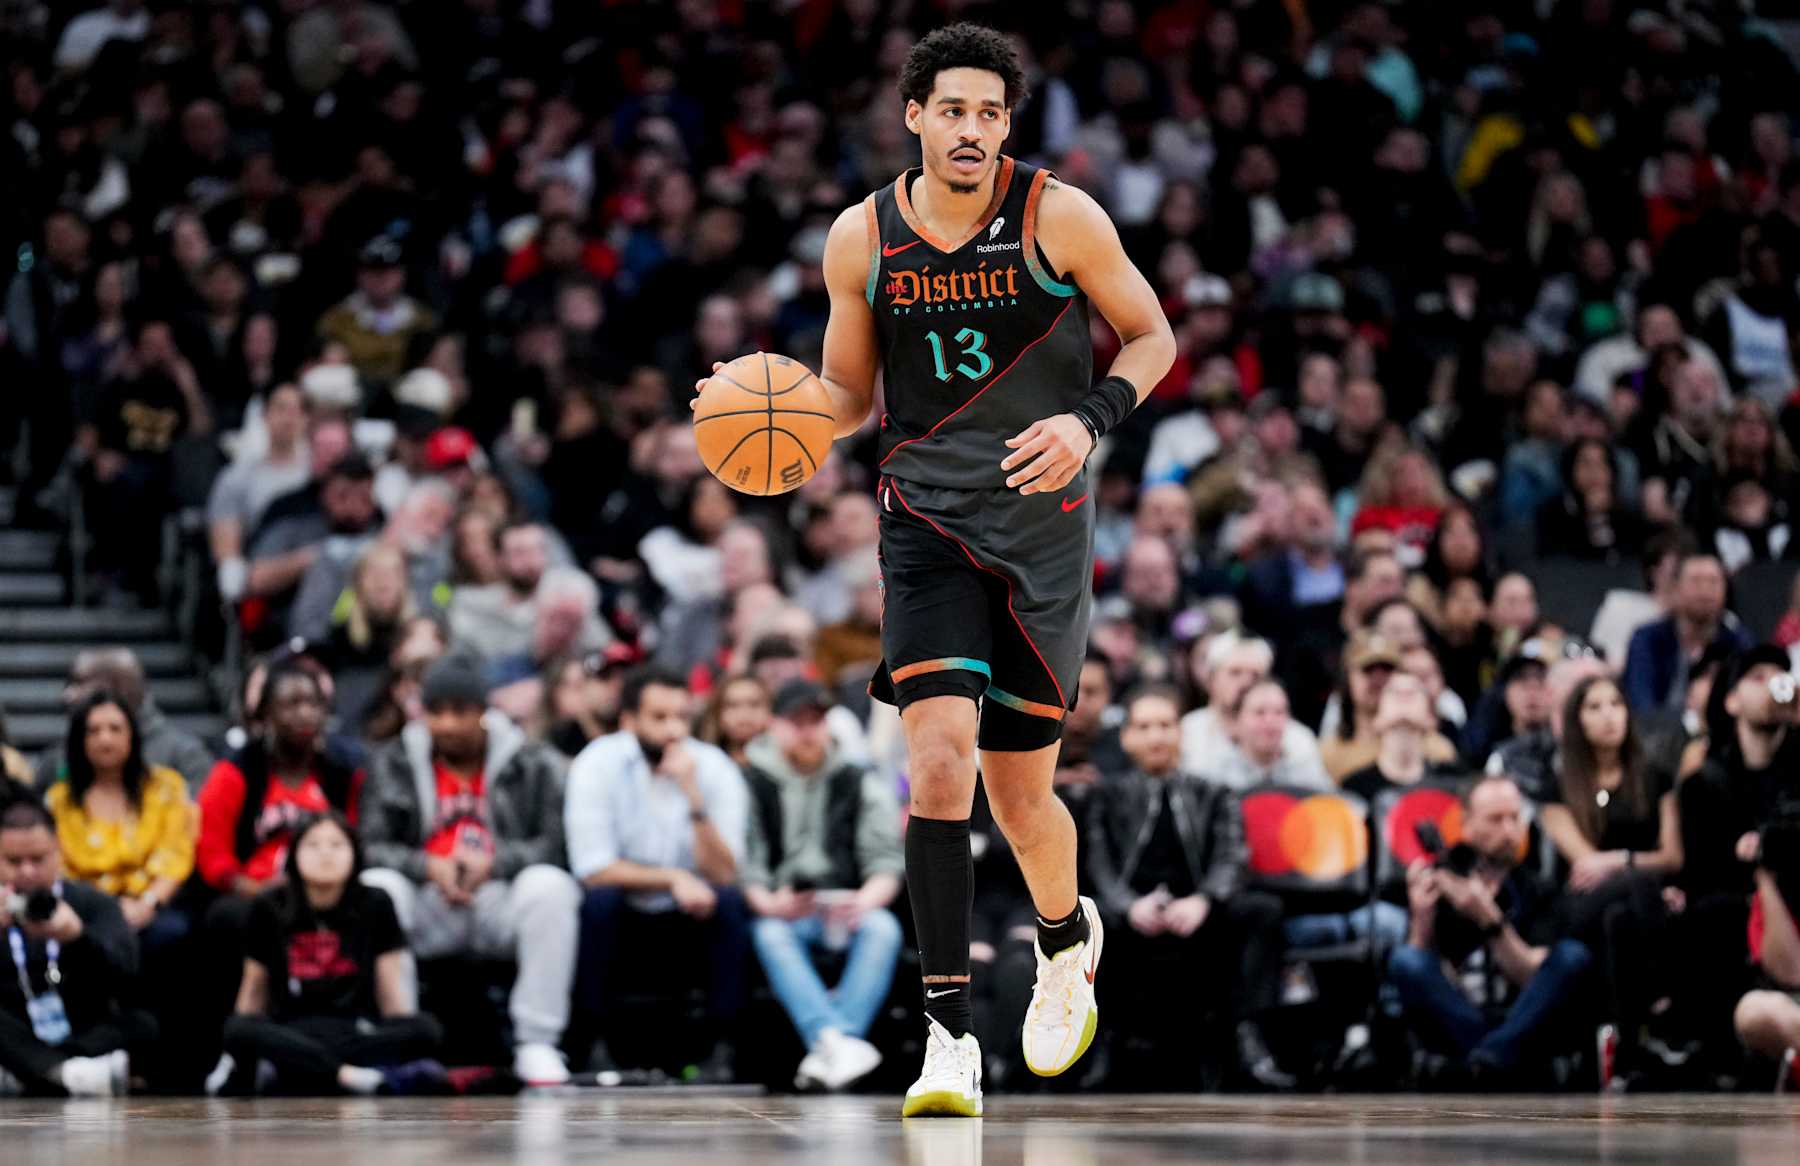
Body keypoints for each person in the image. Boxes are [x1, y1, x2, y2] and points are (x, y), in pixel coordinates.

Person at [696, 24, 1174, 1114]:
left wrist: (1089, 417)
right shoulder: (860, 238)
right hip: (926, 524)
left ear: (1009, 127)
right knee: (940, 761)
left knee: (1022, 797)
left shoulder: (1059, 213)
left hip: (1044, 530)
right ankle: (947, 1032)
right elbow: (846, 397)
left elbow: (1152, 337)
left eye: (990, 113)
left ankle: (1066, 936)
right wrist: (751, 398)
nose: (970, 129)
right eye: (951, 109)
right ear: (914, 115)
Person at [359, 657, 582, 1088]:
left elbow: (554, 846)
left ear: (483, 711)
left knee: (552, 887)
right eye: (436, 712)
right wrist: (428, 866)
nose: (446, 724)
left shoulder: (531, 762)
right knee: (378, 888)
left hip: (496, 897)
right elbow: (370, 846)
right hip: (428, 900)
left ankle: (536, 1041)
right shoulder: (395, 761)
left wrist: (494, 863)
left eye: (460, 711)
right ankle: (400, 1039)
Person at [1086, 688, 1293, 1089]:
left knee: (1263, 911)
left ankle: (1249, 1040)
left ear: (1181, 733)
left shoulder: (1213, 792)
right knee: (1091, 917)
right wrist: (1129, 906)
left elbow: (1233, 857)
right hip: (1131, 915)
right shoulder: (1106, 794)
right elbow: (1097, 865)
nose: (1156, 737)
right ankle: (1102, 1047)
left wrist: (1204, 900)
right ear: (1127, 737)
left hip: (1198, 911)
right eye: (1144, 727)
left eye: (1165, 725)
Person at [565, 669, 751, 1082]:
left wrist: (694, 800)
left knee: (730, 905)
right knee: (599, 904)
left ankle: (722, 1051)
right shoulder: (596, 763)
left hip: (689, 914)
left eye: (682, 717)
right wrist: (670, 878)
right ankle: (593, 1047)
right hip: (625, 909)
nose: (674, 730)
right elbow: (593, 868)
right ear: (629, 720)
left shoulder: (713, 768)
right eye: (660, 717)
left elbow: (723, 872)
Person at [741, 681, 905, 1092]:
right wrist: (769, 902)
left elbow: (886, 859)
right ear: (774, 726)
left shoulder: (855, 780)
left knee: (882, 927)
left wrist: (866, 899)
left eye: (816, 721)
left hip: (845, 902)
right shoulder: (751, 781)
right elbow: (748, 862)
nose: (809, 732)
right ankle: (840, 1042)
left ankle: (829, 1046)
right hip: (786, 906)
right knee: (770, 933)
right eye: (797, 723)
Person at [1388, 776, 1594, 1086]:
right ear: (1467, 824)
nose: (1509, 831)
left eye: (1514, 818)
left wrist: (1488, 919)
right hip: (1461, 1018)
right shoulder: (1445, 876)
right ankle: (1497, 1059)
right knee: (1406, 960)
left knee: (1573, 956)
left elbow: (1533, 975)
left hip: (1521, 1017)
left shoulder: (1538, 889)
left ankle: (1487, 1060)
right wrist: (1422, 916)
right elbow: (1424, 973)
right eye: (1495, 820)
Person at [222, 813, 445, 1095]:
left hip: (354, 1029)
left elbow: (391, 994)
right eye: (313, 845)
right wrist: (234, 1052)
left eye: (337, 845)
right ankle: (349, 1076)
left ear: (354, 853)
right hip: (291, 1029)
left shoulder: (376, 902)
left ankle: (306, 1071)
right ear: (294, 855)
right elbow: (253, 990)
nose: (325, 854)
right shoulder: (269, 905)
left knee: (427, 1030)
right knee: (237, 1030)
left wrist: (403, 1030)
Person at [0, 799, 141, 1097]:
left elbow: (126, 975)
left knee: (144, 1023)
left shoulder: (92, 902)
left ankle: (34, 1071)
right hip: (14, 1027)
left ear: (58, 852)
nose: (27, 871)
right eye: (13, 861)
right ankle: (65, 1073)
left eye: (38, 859)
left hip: (80, 1031)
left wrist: (77, 937)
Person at [33, 647, 215, 793]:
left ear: (117, 687)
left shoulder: (185, 757)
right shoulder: (57, 757)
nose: (67, 695)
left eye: (79, 683)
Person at [1178, 632, 1329, 790]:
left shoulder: (1296, 737)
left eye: (1255, 675)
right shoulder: (1188, 732)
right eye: (1235, 672)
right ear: (1211, 679)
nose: (1246, 682)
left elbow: (1318, 801)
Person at [1624, 553, 1748, 712]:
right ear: (1675, 588)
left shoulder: (1738, 643)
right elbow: (1640, 703)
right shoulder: (1648, 639)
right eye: (1695, 581)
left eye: (1713, 582)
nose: (1705, 591)